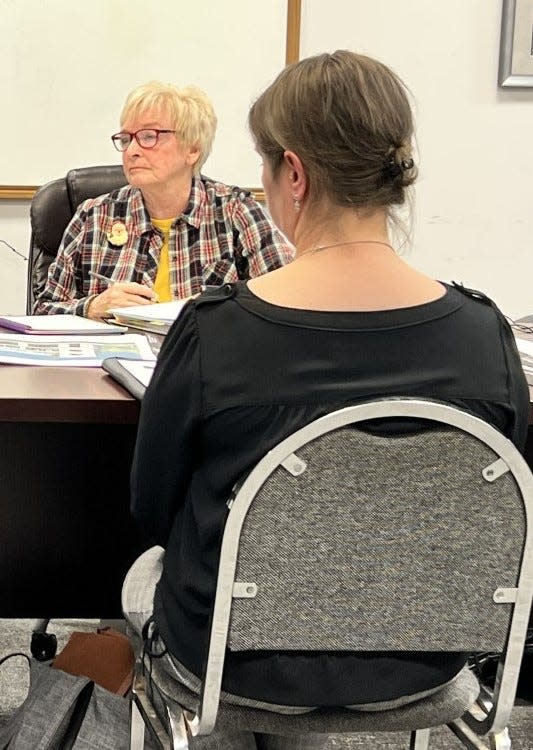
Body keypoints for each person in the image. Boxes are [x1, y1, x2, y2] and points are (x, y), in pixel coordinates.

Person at [122, 51, 529, 749]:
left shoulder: (216, 330)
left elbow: (152, 508)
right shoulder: (482, 333)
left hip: (231, 662)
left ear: (295, 175)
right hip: (425, 664)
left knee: (148, 571)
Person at [33, 81, 293, 319]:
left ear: (192, 149)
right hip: (109, 364)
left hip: (205, 364)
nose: (132, 151)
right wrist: (91, 307)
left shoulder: (235, 210)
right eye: (126, 139)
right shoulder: (93, 216)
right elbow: (43, 310)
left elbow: (286, 294)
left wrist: (218, 305)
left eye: (149, 137)